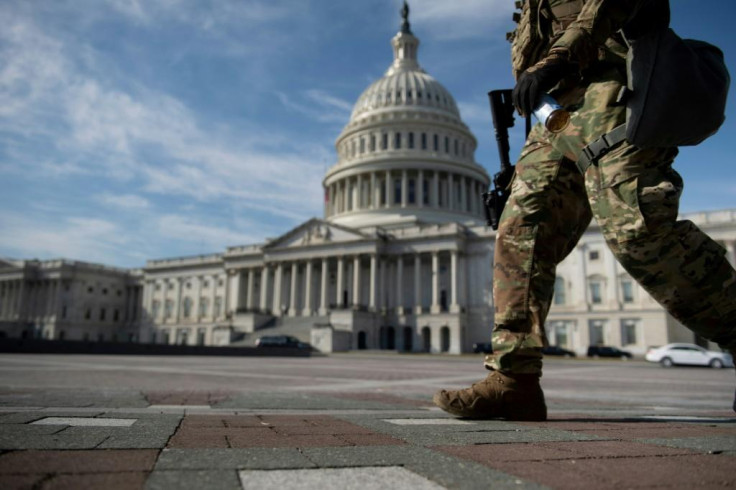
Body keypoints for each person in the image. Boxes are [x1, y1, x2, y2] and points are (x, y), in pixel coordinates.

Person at [433, 0, 736, 420]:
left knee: (638, 229)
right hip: (553, 109)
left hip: (612, 86)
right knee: (521, 231)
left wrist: (553, 63)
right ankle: (513, 379)